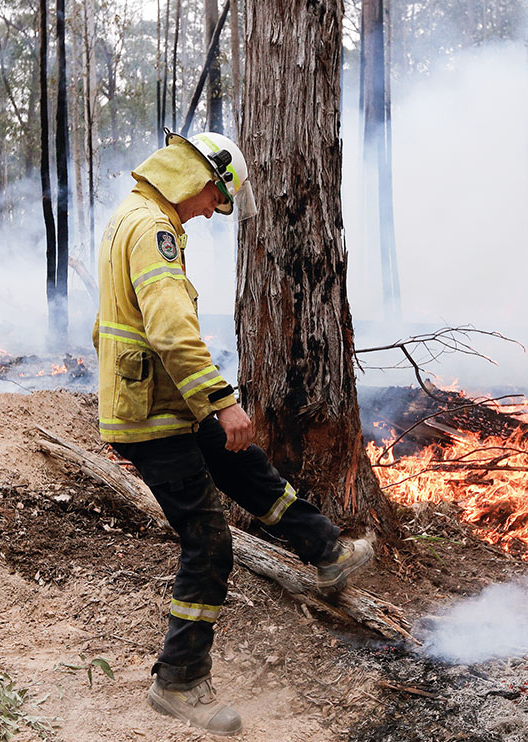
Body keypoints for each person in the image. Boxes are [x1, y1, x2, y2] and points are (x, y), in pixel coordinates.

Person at [92, 129, 373, 736]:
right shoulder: (153, 229)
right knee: (210, 544)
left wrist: (211, 410)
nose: (209, 214)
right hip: (152, 416)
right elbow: (169, 329)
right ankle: (179, 682)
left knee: (243, 463)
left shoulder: (135, 214)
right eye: (214, 201)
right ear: (197, 179)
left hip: (165, 402)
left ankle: (325, 551)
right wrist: (222, 402)